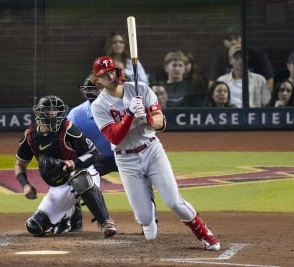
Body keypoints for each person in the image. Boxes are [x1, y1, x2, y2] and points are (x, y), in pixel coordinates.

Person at [90, 55, 220, 251]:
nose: (110, 76)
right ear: (97, 80)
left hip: (152, 150)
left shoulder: (140, 88)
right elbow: (114, 137)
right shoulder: (98, 105)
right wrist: (130, 115)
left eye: (112, 71)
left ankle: (204, 233)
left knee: (173, 201)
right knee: (143, 218)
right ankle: (148, 213)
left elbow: (161, 121)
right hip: (126, 159)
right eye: (104, 75)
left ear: (119, 72)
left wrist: (149, 118)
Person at [14, 95, 117, 238]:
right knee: (35, 226)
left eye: (56, 110)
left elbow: (93, 154)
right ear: (39, 112)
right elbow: (20, 164)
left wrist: (74, 163)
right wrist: (25, 185)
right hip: (59, 184)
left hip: (84, 173)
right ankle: (65, 219)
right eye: (49, 110)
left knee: (79, 178)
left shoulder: (68, 129)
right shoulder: (30, 136)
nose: (53, 114)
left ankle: (105, 221)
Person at [66, 74, 158, 233]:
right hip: (98, 157)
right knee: (76, 177)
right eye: (91, 89)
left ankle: (148, 222)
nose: (94, 93)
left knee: (143, 181)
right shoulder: (76, 115)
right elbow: (66, 142)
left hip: (128, 153)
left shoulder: (129, 106)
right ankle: (77, 220)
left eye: (97, 88)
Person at [208, 27, 274, 91]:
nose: (233, 42)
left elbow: (269, 82)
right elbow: (212, 84)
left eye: (236, 38)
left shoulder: (258, 55)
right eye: (229, 39)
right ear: (224, 41)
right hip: (228, 98)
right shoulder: (219, 58)